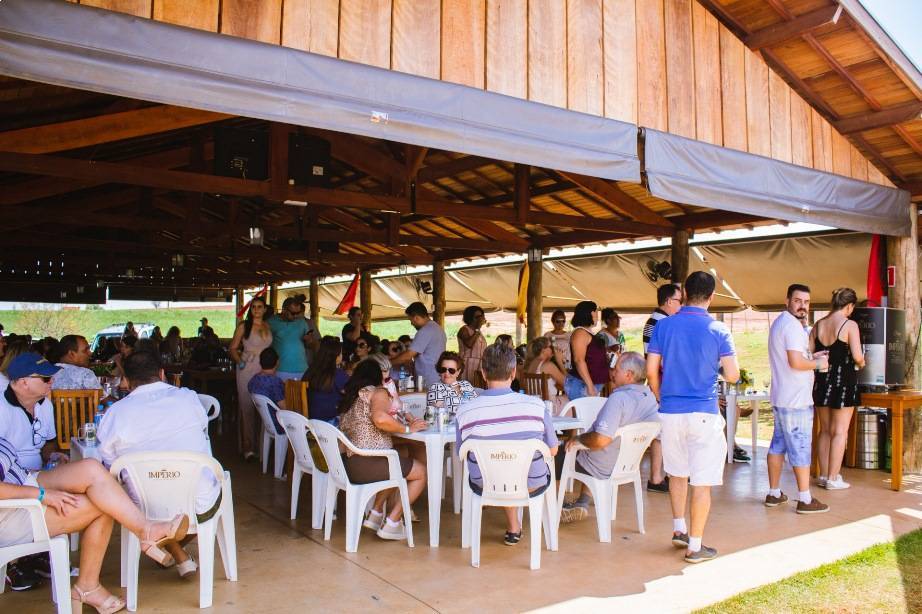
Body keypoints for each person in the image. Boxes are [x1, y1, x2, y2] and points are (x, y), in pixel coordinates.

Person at [0, 440, 190, 613]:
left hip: (24, 482)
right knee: (104, 504)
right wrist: (41, 494)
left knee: (91, 469)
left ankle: (146, 529)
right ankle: (87, 587)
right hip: (13, 513)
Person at [97, 350, 218, 578]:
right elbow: (202, 428)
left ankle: (171, 548)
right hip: (197, 500)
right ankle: (176, 550)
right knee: (209, 486)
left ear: (125, 381)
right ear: (162, 374)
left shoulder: (115, 413)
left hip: (144, 505)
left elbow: (111, 465)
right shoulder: (189, 398)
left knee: (118, 488)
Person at [646, 271, 739, 564]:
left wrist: (660, 395)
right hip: (703, 412)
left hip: (670, 411)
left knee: (677, 473)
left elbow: (651, 370)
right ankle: (695, 547)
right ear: (711, 297)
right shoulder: (718, 330)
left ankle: (679, 529)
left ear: (685, 293)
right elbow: (733, 374)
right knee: (702, 481)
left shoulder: (665, 325)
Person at [455, 344, 559, 546]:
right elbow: (553, 450)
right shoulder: (536, 405)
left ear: (483, 373)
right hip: (532, 483)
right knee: (518, 466)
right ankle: (523, 527)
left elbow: (461, 453)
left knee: (499, 466)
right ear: (513, 372)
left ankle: (513, 526)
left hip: (485, 482)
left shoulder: (465, 411)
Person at [560, 352, 660, 523]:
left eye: (616, 369)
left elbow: (601, 440)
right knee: (592, 449)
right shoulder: (649, 397)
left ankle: (554, 507)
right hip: (627, 464)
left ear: (628, 375)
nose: (612, 372)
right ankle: (582, 502)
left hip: (603, 464)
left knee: (555, 454)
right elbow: (658, 433)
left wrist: (578, 440)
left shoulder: (619, 399)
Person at [338, 360, 428, 540]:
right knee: (421, 472)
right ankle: (392, 522)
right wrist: (407, 429)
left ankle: (376, 513)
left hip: (349, 465)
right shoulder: (378, 392)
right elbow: (379, 418)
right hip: (366, 464)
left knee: (398, 457)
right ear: (377, 376)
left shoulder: (352, 398)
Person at [765, 284, 830, 514]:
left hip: (782, 396)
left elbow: (794, 357)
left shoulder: (781, 323)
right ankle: (805, 499)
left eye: (806, 302)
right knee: (801, 448)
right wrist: (819, 363)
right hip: (796, 400)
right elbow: (795, 363)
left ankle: (774, 494)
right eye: (797, 300)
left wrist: (811, 356)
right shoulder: (792, 326)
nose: (803, 306)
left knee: (778, 446)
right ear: (787, 301)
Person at [810, 287, 865, 490]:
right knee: (840, 431)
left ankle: (824, 475)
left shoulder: (818, 325)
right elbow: (857, 356)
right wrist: (862, 362)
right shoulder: (850, 325)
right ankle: (834, 478)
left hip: (822, 382)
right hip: (844, 382)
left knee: (825, 430)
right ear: (849, 306)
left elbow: (810, 353)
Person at [642, 283, 682, 494]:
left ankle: (659, 475)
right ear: (668, 301)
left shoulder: (655, 321)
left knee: (663, 430)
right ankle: (656, 477)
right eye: (679, 301)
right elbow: (660, 359)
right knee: (661, 431)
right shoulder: (662, 323)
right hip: (662, 381)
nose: (681, 305)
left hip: (659, 380)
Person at [0, 353, 67, 471]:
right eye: (46, 378)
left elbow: (49, 443)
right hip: (11, 478)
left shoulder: (45, 405)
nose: (52, 381)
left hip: (39, 474)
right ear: (24, 382)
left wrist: (53, 456)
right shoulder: (2, 408)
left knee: (88, 468)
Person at [228, 296, 272, 462]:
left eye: (260, 307)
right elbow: (232, 348)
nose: (256, 310)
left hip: (265, 369)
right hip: (248, 368)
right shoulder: (244, 326)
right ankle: (248, 448)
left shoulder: (268, 326)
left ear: (265, 309)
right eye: (253, 307)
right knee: (247, 406)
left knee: (264, 407)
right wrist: (240, 361)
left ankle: (261, 447)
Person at [390, 302, 446, 389]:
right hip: (437, 376)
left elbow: (408, 356)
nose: (411, 323)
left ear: (416, 317)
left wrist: (387, 363)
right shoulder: (438, 328)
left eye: (411, 320)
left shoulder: (425, 331)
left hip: (428, 378)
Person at [565, 301, 608, 400]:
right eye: (596, 312)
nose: (597, 315)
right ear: (592, 313)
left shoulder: (587, 332)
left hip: (588, 385)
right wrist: (590, 385)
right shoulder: (580, 333)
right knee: (583, 410)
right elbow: (579, 360)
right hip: (582, 385)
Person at [304, 336, 350, 425]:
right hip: (328, 423)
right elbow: (351, 391)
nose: (342, 356)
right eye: (340, 353)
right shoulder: (337, 373)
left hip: (310, 420)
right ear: (336, 356)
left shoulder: (311, 370)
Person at [269, 296, 313, 381]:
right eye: (293, 313)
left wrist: (309, 340)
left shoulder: (302, 322)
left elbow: (309, 345)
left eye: (298, 313)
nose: (296, 316)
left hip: (302, 369)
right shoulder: (271, 322)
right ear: (284, 310)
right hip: (280, 370)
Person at [247, 347, 287, 435]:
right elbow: (284, 407)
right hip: (279, 424)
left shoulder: (254, 380)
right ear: (277, 362)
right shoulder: (275, 382)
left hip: (266, 422)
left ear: (260, 362)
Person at [524, 337, 569, 415]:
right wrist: (560, 362)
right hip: (550, 408)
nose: (554, 349)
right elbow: (568, 384)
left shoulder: (531, 364)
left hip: (536, 407)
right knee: (576, 399)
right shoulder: (548, 366)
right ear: (543, 350)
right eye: (551, 347)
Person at [425, 351, 478, 418]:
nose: (447, 373)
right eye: (443, 369)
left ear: (458, 372)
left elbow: (477, 405)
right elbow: (437, 415)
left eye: (451, 370)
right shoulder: (436, 387)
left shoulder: (466, 384)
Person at [457, 306, 488, 389]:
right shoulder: (464, 329)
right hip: (466, 366)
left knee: (477, 390)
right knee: (466, 390)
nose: (480, 318)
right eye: (478, 316)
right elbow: (469, 344)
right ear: (470, 318)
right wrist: (477, 329)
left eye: (481, 316)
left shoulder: (479, 333)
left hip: (478, 367)